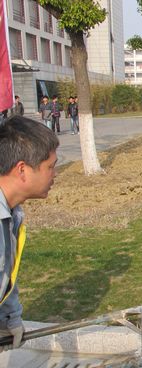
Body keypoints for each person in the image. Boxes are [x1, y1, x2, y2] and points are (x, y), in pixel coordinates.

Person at [0, 116, 59, 352]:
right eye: (51, 167)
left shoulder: (11, 212)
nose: (55, 174)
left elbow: (6, 273)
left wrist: (9, 318)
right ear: (22, 169)